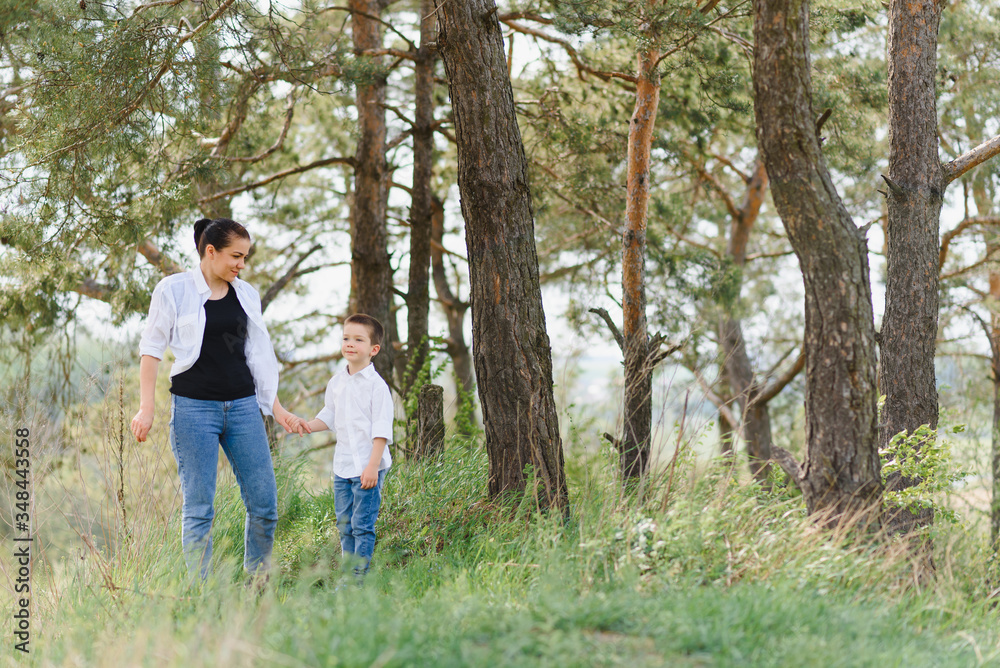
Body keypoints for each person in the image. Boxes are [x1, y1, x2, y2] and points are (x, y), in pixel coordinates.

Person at [130, 217, 305, 581]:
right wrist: (146, 408)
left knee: (264, 504)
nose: (242, 265)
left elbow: (257, 354)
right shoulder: (173, 290)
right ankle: (203, 595)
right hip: (194, 410)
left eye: (245, 257)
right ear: (211, 251)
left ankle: (257, 584)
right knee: (199, 510)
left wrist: (276, 407)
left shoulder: (246, 294)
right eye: (236, 256)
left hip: (242, 408)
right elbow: (151, 349)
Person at [290, 314, 394, 582]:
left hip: (368, 468)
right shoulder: (337, 382)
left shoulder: (377, 387)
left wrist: (372, 467)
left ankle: (358, 581)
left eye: (358, 339)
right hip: (343, 467)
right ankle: (349, 576)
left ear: (373, 349)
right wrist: (307, 425)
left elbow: (381, 430)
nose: (350, 343)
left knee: (362, 525)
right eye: (346, 338)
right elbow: (329, 416)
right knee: (345, 525)